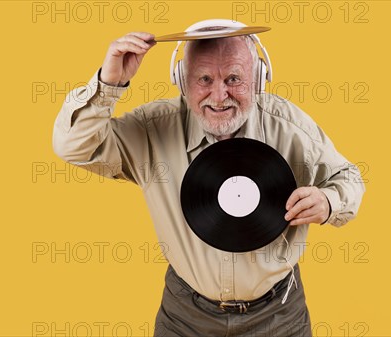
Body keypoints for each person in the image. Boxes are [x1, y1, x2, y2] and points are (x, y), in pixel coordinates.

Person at [52, 20, 365, 337]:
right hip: (185, 318)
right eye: (204, 79)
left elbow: (349, 178)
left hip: (279, 317)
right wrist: (109, 85)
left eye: (233, 78)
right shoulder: (152, 128)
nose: (219, 95)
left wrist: (329, 201)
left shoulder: (288, 125)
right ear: (181, 81)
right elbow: (74, 146)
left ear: (257, 78)